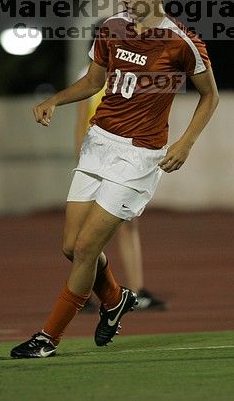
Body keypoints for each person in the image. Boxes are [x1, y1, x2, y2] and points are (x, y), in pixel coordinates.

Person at [11, 0, 219, 358]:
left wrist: (185, 143)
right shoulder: (111, 28)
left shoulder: (181, 42)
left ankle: (47, 338)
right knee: (71, 246)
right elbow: (93, 80)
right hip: (99, 143)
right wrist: (57, 99)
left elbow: (210, 96)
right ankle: (117, 298)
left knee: (87, 249)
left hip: (137, 157)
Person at [75, 90, 167, 311]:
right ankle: (82, 292)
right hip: (96, 159)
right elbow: (80, 125)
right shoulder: (90, 76)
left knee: (128, 223)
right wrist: (84, 163)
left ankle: (137, 292)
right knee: (87, 234)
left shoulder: (134, 70)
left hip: (124, 160)